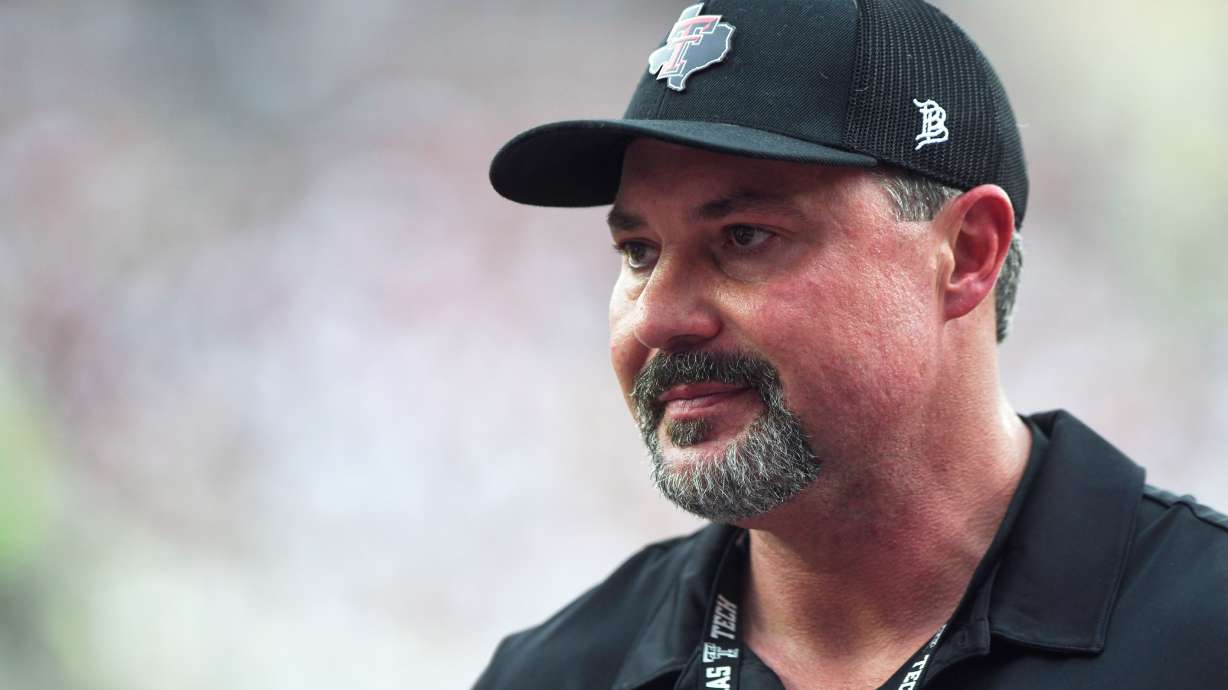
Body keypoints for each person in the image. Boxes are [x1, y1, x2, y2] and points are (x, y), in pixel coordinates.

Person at [475, 1, 1228, 688]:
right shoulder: (556, 673)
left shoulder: (1202, 633)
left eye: (744, 237)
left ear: (967, 253)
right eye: (638, 252)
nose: (656, 318)